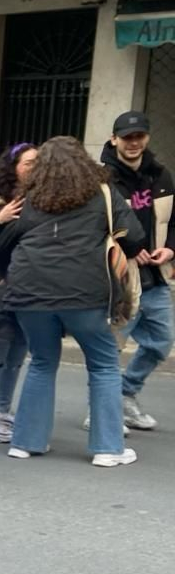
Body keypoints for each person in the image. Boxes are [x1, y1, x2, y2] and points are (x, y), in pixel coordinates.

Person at [0, 136, 145, 467]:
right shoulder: (103, 194)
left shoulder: (30, 199)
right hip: (85, 293)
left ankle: (25, 442)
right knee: (103, 363)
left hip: (29, 293)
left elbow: (1, 249)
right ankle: (108, 448)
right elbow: (134, 238)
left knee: (43, 361)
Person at [100, 110, 175, 430]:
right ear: (114, 139)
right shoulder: (104, 177)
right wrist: (132, 249)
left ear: (146, 138)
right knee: (110, 347)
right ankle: (101, 410)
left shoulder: (161, 175)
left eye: (139, 136)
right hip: (121, 277)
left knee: (162, 340)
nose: (133, 143)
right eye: (127, 137)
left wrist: (171, 248)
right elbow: (98, 224)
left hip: (157, 276)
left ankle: (126, 394)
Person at [0, 143, 37, 441]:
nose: (34, 167)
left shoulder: (44, 202)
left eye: (38, 162)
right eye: (28, 162)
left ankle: (3, 411)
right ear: (13, 166)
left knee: (17, 354)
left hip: (29, 290)